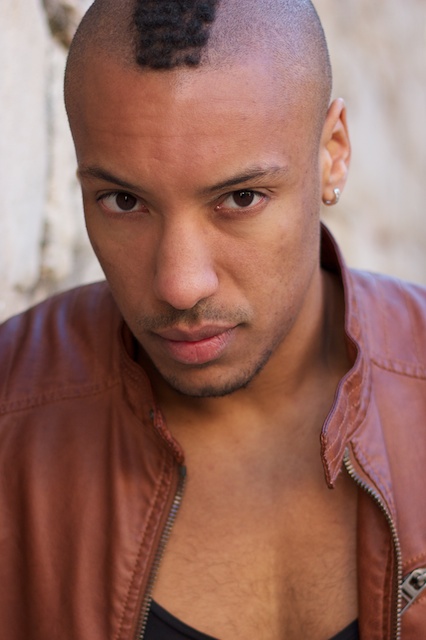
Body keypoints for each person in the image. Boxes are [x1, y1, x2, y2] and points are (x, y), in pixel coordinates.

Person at [0, 0, 425, 638]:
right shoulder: (11, 411)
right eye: (123, 201)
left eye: (240, 197)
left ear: (333, 153)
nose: (179, 285)